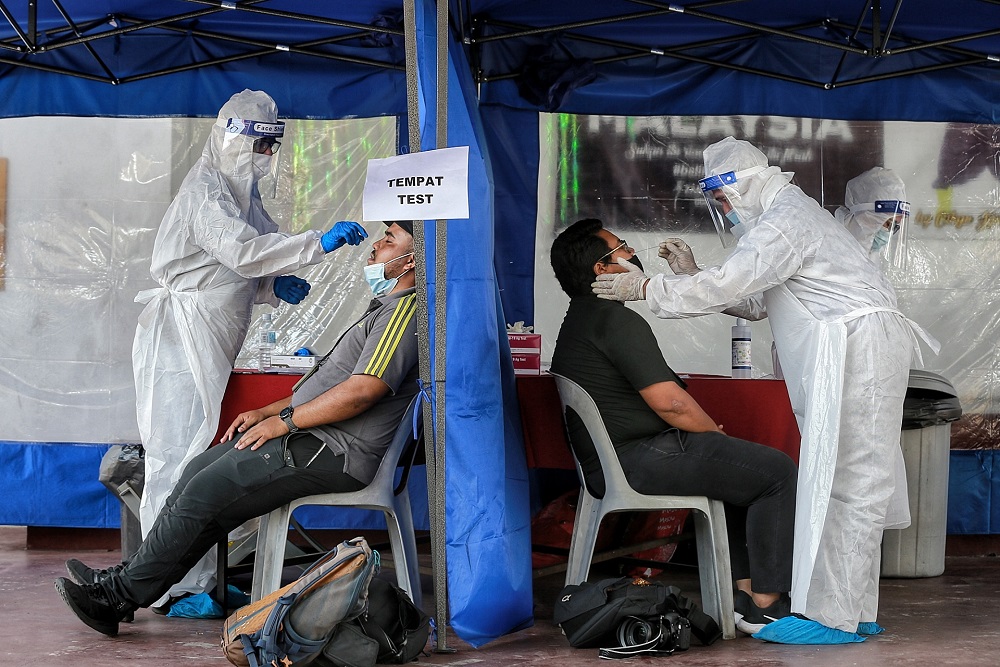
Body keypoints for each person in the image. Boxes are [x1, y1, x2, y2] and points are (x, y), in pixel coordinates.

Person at [593, 137, 935, 643]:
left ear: (750, 184)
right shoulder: (788, 220)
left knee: (848, 483)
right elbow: (759, 302)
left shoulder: (786, 220)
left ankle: (832, 618)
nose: (725, 210)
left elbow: (736, 282)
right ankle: (852, 611)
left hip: (858, 350)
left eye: (726, 197)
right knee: (850, 480)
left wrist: (648, 288)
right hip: (861, 347)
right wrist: (690, 276)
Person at [56, 221, 419, 637]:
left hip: (336, 449)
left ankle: (117, 596)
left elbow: (361, 392)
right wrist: (268, 410)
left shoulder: (404, 312)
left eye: (390, 240)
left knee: (207, 490)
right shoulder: (384, 308)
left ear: (413, 260)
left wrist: (284, 423)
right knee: (197, 473)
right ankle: (127, 582)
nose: (376, 246)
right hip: (312, 435)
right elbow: (330, 384)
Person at [132, 89, 369, 609]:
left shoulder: (242, 197)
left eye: (270, 145)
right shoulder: (205, 193)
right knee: (176, 458)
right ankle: (174, 589)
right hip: (179, 338)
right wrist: (317, 243)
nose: (263, 156)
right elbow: (240, 252)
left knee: (198, 459)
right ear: (230, 138)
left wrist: (270, 287)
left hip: (207, 334)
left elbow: (230, 264)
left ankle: (202, 578)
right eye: (257, 144)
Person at [550, 218, 798, 636]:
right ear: (603, 269)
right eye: (622, 248)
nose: (633, 253)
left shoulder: (582, 317)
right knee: (775, 472)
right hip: (640, 457)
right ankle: (766, 604)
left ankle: (746, 593)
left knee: (745, 470)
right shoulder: (615, 320)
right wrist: (715, 437)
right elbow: (673, 404)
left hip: (620, 458)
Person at [834, 166, 909, 267]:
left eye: (895, 226)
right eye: (889, 223)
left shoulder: (871, 254)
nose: (888, 233)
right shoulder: (830, 243)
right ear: (864, 213)